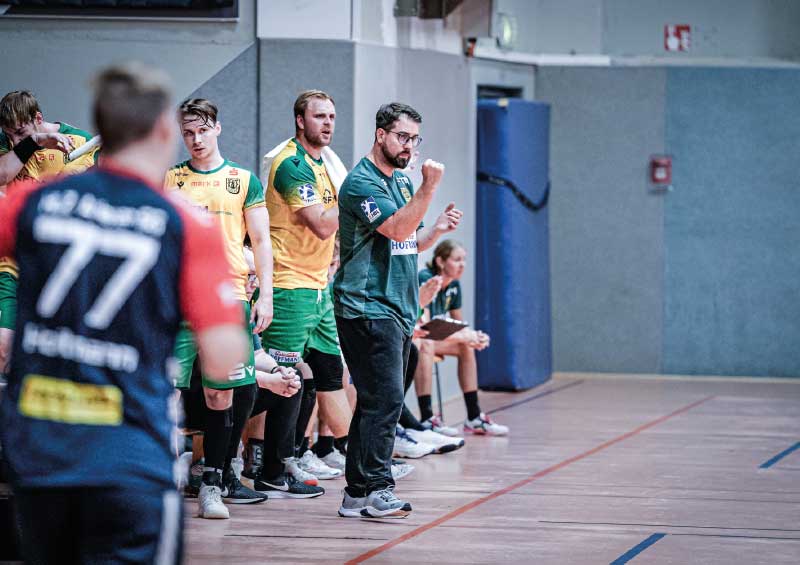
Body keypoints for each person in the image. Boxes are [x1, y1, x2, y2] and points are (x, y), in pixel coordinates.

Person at [0, 62, 248, 564]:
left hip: (40, 450)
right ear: (163, 130)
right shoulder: (185, 224)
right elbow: (224, 359)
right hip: (128, 454)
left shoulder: (33, 203)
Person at [334, 102, 462, 518]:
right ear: (380, 135)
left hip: (399, 308)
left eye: (414, 139)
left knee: (375, 399)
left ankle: (355, 493)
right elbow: (395, 228)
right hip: (367, 306)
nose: (409, 146)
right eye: (403, 137)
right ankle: (376, 487)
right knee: (386, 398)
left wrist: (437, 230)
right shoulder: (360, 183)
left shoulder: (402, 183)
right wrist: (430, 187)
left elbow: (408, 241)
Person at [164, 98, 274, 517]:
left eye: (202, 130)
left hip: (227, 301)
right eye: (188, 132)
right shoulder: (170, 179)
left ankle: (213, 482)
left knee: (219, 395)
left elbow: (261, 242)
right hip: (178, 302)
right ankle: (165, 477)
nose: (195, 139)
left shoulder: (242, 179)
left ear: (217, 129)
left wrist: (266, 293)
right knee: (167, 393)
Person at [249, 90, 348, 499]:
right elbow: (322, 224)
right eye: (319, 116)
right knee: (282, 376)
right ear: (299, 120)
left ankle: (338, 451)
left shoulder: (323, 163)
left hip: (318, 286)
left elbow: (332, 233)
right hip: (290, 285)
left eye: (331, 116)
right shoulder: (291, 165)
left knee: (323, 374)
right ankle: (263, 462)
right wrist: (358, 195)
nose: (327, 123)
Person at [0, 91, 99, 376]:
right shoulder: (6, 143)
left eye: (20, 132)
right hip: (12, 264)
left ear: (38, 118)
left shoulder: (79, 141)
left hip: (59, 266)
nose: (14, 141)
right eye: (10, 135)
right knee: (4, 346)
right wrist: (31, 142)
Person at [415, 240, 509, 436]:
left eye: (464, 260)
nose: (462, 265)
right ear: (440, 261)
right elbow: (425, 328)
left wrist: (473, 337)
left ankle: (474, 417)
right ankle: (427, 418)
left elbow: (459, 323)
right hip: (418, 338)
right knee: (428, 343)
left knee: (466, 346)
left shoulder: (454, 286)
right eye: (457, 260)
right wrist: (467, 335)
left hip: (435, 338)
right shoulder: (426, 279)